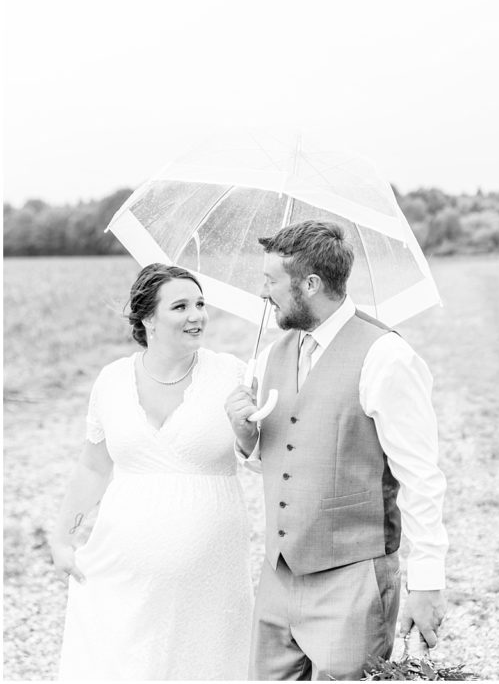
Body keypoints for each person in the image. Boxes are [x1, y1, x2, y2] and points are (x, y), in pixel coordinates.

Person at [225, 219, 448, 681]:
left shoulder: (386, 356)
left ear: (310, 284)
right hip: (278, 575)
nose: (264, 293)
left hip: (354, 580)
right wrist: (242, 431)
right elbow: (279, 457)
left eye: (271, 281)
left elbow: (421, 477)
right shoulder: (270, 356)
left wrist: (426, 583)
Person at [51, 263, 253, 680]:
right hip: (122, 567)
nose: (197, 315)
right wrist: (62, 536)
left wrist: (246, 430)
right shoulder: (112, 380)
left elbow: (261, 457)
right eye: (181, 306)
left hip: (210, 574)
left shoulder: (231, 376)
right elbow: (92, 468)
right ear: (148, 319)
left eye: (200, 304)